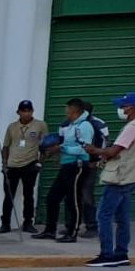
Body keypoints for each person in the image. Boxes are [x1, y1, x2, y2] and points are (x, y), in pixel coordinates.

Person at [83, 92, 135, 267]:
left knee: (103, 215)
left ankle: (107, 255)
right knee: (122, 217)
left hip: (121, 177)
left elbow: (113, 151)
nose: (120, 109)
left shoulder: (132, 127)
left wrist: (94, 150)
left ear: (132, 108)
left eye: (123, 106)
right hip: (131, 176)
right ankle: (121, 253)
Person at [33, 98, 93, 243]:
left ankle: (72, 233)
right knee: (52, 197)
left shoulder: (84, 126)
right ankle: (50, 230)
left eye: (68, 111)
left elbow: (84, 149)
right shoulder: (70, 126)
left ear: (76, 112)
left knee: (73, 200)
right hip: (66, 165)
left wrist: (62, 148)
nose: (66, 114)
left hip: (77, 166)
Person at [0, 100, 48, 233]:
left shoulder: (40, 125)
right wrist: (4, 164)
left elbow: (46, 146)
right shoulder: (12, 127)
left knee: (28, 195)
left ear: (32, 111)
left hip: (30, 164)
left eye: (29, 111)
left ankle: (28, 223)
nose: (26, 113)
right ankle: (5, 223)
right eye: (23, 111)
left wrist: (39, 163)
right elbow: (5, 146)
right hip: (12, 165)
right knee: (9, 195)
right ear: (18, 112)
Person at [78, 101, 109, 238]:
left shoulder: (98, 124)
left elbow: (104, 143)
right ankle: (72, 225)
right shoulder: (73, 122)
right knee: (72, 195)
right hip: (74, 163)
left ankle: (91, 226)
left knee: (86, 195)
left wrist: (97, 161)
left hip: (90, 164)